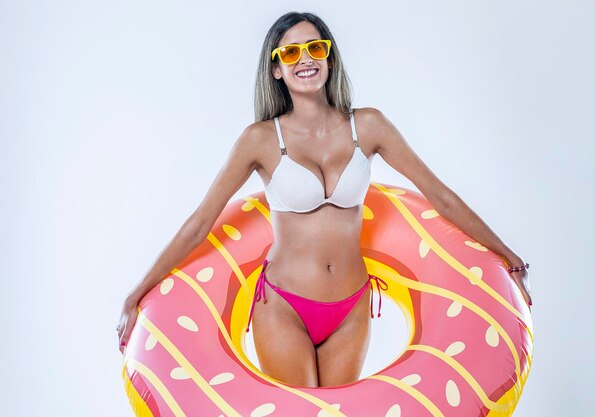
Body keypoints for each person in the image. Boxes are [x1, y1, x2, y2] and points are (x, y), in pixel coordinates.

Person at [117, 11, 532, 388]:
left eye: (316, 48)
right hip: (285, 306)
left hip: (351, 307)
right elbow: (199, 223)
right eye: (291, 52)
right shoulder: (260, 139)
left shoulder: (367, 126)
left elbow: (440, 195)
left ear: (330, 58)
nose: (306, 59)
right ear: (276, 68)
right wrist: (137, 293)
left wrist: (509, 256)